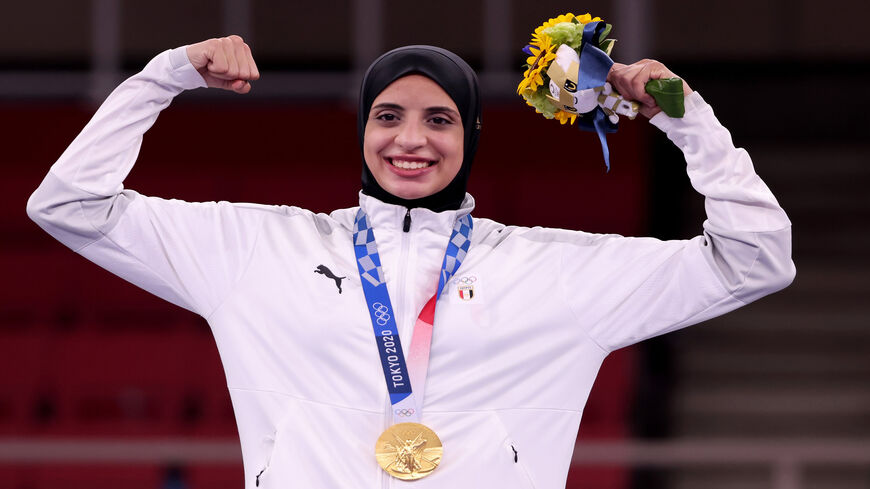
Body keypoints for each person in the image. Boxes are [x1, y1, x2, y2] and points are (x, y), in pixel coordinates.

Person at [27, 35, 794, 488]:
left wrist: (688, 120)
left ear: (473, 139)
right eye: (388, 116)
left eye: (440, 119)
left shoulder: (553, 270)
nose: (411, 140)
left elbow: (754, 260)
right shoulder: (258, 250)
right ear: (361, 129)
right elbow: (69, 203)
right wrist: (167, 74)